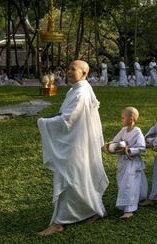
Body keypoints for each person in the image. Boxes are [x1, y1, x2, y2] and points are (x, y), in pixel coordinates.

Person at [37, 60, 108, 236]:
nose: (68, 72)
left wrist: (43, 122)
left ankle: (60, 222)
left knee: (69, 179)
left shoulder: (81, 92)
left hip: (75, 144)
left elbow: (68, 119)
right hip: (77, 140)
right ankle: (93, 209)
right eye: (68, 69)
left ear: (84, 73)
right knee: (79, 177)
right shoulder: (77, 89)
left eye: (73, 69)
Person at [105, 107, 147, 220]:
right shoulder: (123, 130)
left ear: (131, 119)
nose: (121, 120)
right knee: (123, 184)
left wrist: (128, 150)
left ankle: (129, 210)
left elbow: (141, 147)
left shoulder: (137, 132)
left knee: (130, 184)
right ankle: (127, 204)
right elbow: (115, 141)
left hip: (132, 162)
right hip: (123, 163)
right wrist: (109, 147)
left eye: (123, 118)